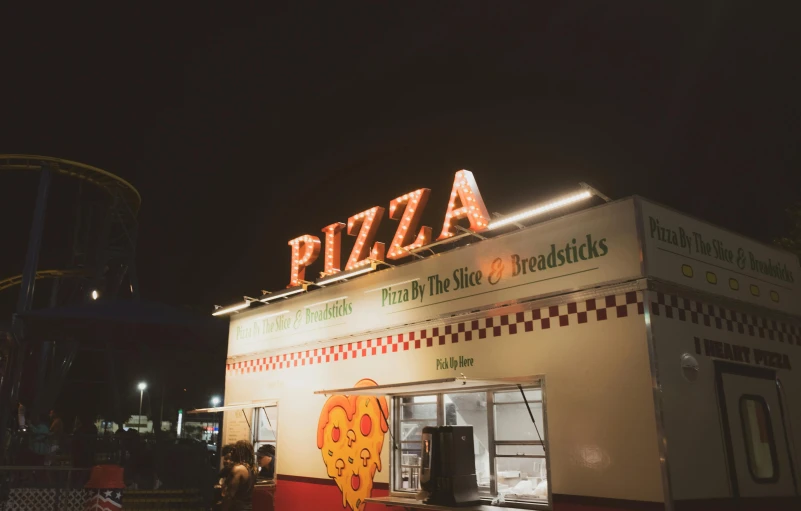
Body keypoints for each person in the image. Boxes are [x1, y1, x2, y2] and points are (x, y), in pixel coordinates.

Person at [222, 440, 256, 511]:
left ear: (240, 452)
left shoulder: (238, 469)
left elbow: (230, 495)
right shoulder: (253, 469)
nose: (232, 452)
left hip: (236, 508)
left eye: (235, 449)